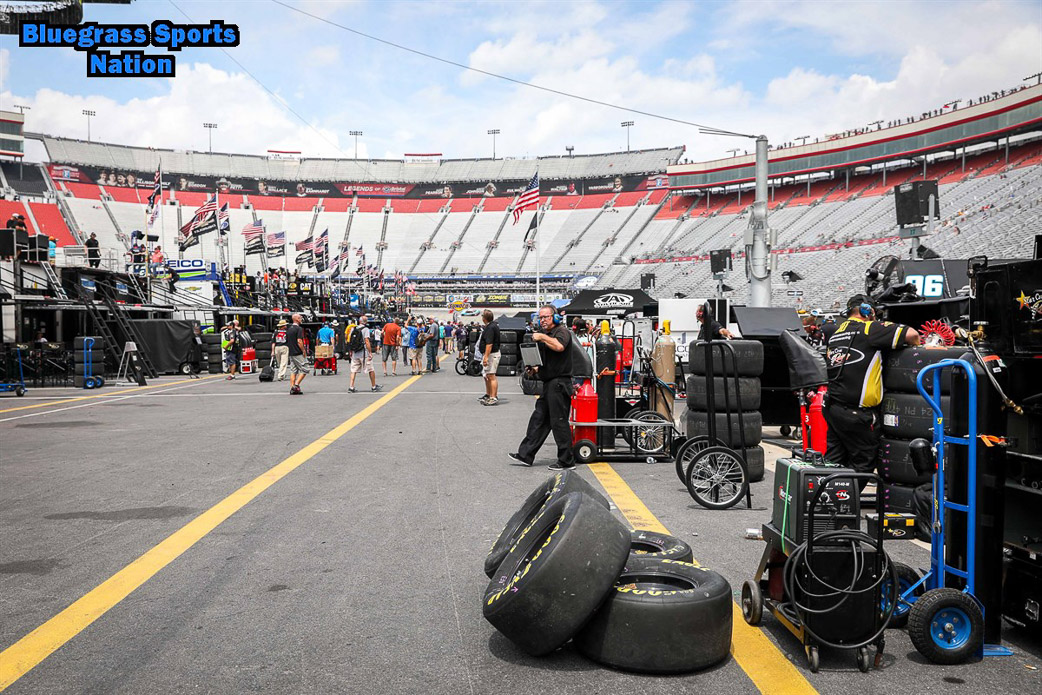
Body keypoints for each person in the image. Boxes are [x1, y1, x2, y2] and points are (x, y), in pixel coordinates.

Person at [824, 294, 920, 478]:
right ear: (867, 311)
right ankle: (844, 496)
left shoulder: (836, 333)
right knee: (863, 464)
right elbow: (913, 335)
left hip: (834, 409)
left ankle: (826, 495)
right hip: (858, 414)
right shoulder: (869, 328)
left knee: (834, 461)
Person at [509, 305, 575, 470]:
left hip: (559, 384)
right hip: (549, 384)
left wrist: (542, 337)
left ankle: (566, 461)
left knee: (559, 422)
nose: (543, 320)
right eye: (540, 317)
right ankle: (526, 454)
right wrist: (535, 369)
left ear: (555, 317)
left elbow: (559, 346)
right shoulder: (546, 335)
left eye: (546, 317)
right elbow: (549, 362)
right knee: (539, 419)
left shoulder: (561, 332)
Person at [348, 315, 382, 393]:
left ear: (359, 321)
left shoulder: (353, 329)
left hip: (355, 353)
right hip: (364, 353)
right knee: (371, 369)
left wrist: (350, 350)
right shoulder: (366, 329)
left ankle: (351, 387)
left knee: (353, 370)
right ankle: (373, 386)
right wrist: (370, 352)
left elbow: (350, 340)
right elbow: (367, 341)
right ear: (366, 322)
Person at [478, 310, 501, 405]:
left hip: (492, 354)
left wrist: (486, 357)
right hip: (489, 354)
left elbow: (489, 344)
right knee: (487, 375)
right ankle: (489, 394)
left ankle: (493, 397)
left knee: (491, 375)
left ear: (484, 318)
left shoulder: (490, 328)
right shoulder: (491, 326)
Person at [286, 313, 309, 395]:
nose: (301, 319)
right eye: (300, 318)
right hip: (298, 352)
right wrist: (303, 350)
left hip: (291, 352)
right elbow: (299, 341)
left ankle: (292, 388)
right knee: (305, 368)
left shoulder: (289, 329)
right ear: (296, 319)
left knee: (293, 370)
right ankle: (296, 385)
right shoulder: (299, 329)